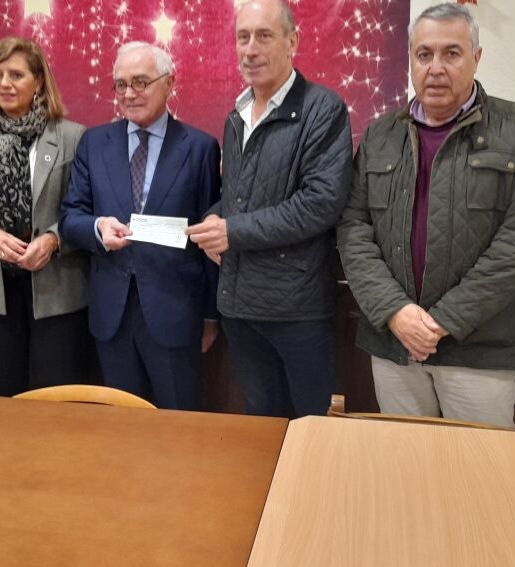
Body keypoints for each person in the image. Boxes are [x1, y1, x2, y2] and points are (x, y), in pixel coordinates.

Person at [337, 3, 515, 427]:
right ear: (411, 60)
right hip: (395, 344)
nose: (436, 67)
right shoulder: (380, 135)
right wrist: (396, 312)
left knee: (480, 464)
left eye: (451, 53)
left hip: (478, 347)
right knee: (405, 459)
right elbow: (353, 229)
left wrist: (442, 321)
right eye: (424, 54)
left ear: (476, 57)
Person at [186, 0, 353, 418]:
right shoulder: (237, 113)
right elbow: (238, 195)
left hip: (296, 309)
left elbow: (320, 203)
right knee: (261, 423)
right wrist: (214, 215)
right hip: (238, 305)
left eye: (263, 36)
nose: (250, 49)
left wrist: (232, 232)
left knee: (312, 427)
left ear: (292, 41)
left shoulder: (323, 109)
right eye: (242, 37)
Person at [60, 42, 221, 410]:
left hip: (175, 312)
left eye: (141, 82)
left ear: (169, 83)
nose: (129, 93)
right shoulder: (94, 143)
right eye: (121, 84)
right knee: (122, 426)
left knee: (178, 423)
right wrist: (98, 228)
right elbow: (70, 217)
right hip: (111, 314)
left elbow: (209, 236)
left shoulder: (200, 148)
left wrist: (211, 314)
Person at [0, 36, 91, 397]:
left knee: (59, 400)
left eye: (16, 74)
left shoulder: (72, 137)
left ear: (38, 80)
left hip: (56, 288)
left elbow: (86, 210)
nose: (4, 84)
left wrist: (54, 239)